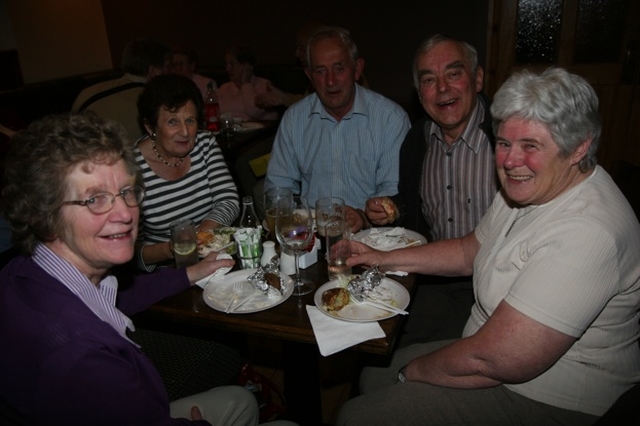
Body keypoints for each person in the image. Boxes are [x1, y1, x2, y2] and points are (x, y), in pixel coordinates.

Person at [336, 68, 640, 425]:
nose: (510, 161)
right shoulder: (530, 188)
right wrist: (380, 259)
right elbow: (468, 250)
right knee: (372, 374)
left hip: (549, 396)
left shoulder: (588, 233)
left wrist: (412, 373)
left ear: (579, 147)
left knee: (356, 415)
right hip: (492, 349)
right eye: (504, 143)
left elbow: (495, 361)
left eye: (531, 146)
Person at [0, 111, 297, 425]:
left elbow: (114, 296)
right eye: (95, 199)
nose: (125, 213)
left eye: (127, 191)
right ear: (45, 214)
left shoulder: (26, 273)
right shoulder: (81, 357)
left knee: (239, 400)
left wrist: (188, 273)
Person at [365, 34, 499, 346]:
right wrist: (394, 208)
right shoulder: (417, 140)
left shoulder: (506, 136)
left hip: (497, 286)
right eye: (429, 79)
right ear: (420, 93)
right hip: (432, 281)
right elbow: (415, 206)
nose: (442, 89)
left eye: (454, 74)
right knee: (374, 338)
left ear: (477, 79)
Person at [264, 26, 410, 232]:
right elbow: (278, 187)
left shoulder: (390, 119)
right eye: (320, 71)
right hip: (310, 238)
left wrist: (363, 216)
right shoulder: (294, 120)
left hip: (372, 237)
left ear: (357, 69)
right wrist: (293, 224)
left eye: (339, 68)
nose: (330, 81)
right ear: (309, 75)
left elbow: (394, 193)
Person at [135, 74, 239, 271]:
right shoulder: (131, 167)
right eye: (173, 122)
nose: (185, 132)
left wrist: (200, 237)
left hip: (215, 260)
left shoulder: (204, 143)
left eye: (190, 120)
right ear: (150, 127)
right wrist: (173, 249)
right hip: (166, 274)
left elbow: (229, 200)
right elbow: (132, 251)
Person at [72, 38, 171, 141]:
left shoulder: (87, 92)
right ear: (152, 70)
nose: (170, 71)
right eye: (167, 66)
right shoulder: (153, 102)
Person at [217, 45, 279, 121]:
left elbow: (254, 112)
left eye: (232, 64)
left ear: (247, 66)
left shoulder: (264, 85)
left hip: (259, 131)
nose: (228, 69)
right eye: (226, 64)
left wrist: (246, 83)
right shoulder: (224, 88)